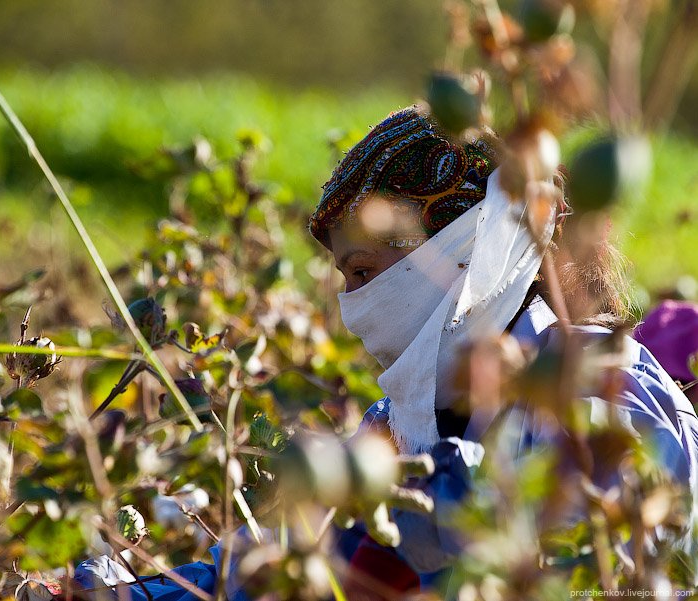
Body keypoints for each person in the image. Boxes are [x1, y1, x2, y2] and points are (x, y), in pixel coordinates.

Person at [74, 106, 698, 599]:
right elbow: (272, 564)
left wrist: (404, 509)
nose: (353, 306)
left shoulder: (597, 376)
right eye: (346, 280)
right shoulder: (398, 425)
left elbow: (621, 553)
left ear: (460, 248)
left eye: (365, 270)